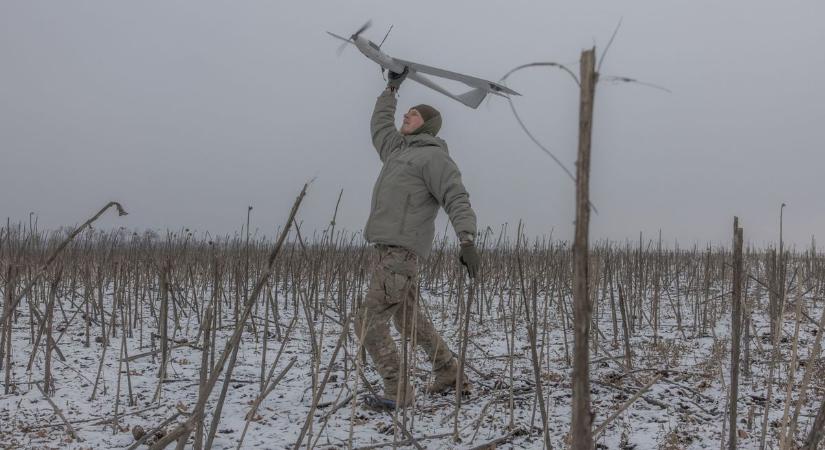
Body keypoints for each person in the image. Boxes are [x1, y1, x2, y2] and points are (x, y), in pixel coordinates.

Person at [355, 67, 481, 410]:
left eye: (413, 115)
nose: (406, 116)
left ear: (425, 125)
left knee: (368, 322)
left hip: (400, 252)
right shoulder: (397, 151)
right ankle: (449, 373)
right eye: (407, 112)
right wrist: (391, 89)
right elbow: (380, 125)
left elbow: (456, 196)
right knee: (407, 319)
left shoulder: (434, 157)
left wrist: (466, 239)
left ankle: (397, 391)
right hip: (386, 249)